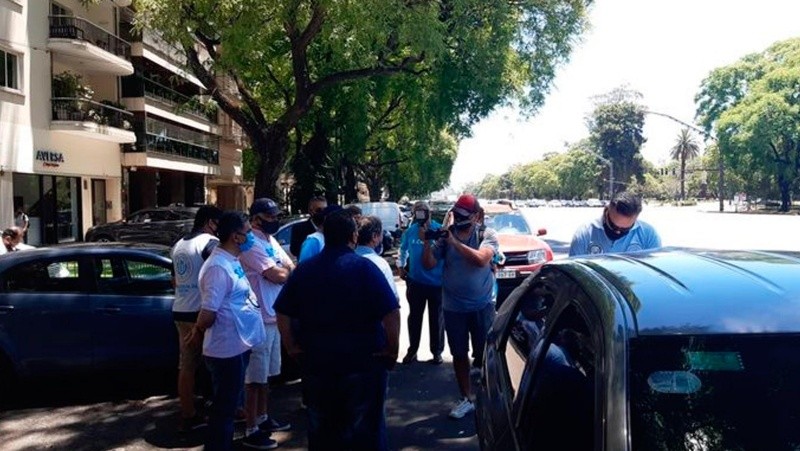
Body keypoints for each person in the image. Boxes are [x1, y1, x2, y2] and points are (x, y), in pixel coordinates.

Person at [275, 210, 400, 450]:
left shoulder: (305, 270)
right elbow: (391, 312)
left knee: (323, 431)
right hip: (362, 364)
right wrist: (391, 350)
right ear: (353, 236)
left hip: (318, 363)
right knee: (367, 431)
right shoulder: (365, 268)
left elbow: (282, 311)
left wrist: (291, 346)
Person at [186, 211, 266, 451]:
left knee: (228, 407)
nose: (252, 236)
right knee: (224, 411)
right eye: (248, 232)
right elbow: (208, 312)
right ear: (235, 236)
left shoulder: (231, 260)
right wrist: (197, 331)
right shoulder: (218, 267)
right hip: (225, 349)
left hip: (238, 344)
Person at [420, 194, 499, 419]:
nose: (459, 219)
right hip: (454, 307)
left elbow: (482, 259)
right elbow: (428, 264)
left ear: (475, 216)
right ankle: (466, 397)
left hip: (482, 305)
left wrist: (454, 243)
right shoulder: (447, 237)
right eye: (457, 214)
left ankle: (488, 394)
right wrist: (427, 242)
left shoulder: (486, 234)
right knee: (459, 353)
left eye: (464, 215)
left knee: (486, 352)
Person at [238, 198, 294, 449]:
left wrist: (284, 271)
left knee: (267, 376)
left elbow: (290, 264)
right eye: (271, 217)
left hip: (273, 316)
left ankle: (262, 417)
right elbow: (277, 274)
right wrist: (283, 272)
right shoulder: (250, 244)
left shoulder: (269, 241)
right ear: (257, 218)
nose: (275, 221)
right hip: (257, 317)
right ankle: (251, 428)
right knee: (254, 378)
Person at [170, 205, 223, 432]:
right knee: (217, 364)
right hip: (202, 312)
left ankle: (188, 413)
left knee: (187, 365)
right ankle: (223, 409)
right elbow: (219, 269)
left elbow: (174, 280)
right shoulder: (209, 243)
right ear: (210, 222)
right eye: (218, 224)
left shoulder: (178, 244)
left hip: (180, 309)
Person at [397, 201, 445, 365]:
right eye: (416, 212)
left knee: (437, 319)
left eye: (423, 212)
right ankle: (412, 350)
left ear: (429, 213)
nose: (420, 215)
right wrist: (401, 267)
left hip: (437, 283)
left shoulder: (439, 230)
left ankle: (437, 352)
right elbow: (402, 250)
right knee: (415, 317)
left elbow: (446, 252)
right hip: (416, 282)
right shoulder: (410, 232)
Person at [568, 191, 662, 256]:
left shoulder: (648, 235)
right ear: (606, 211)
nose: (617, 232)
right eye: (613, 226)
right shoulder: (585, 234)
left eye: (624, 230)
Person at [355, 215, 398, 301]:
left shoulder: (343, 260)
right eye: (381, 233)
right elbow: (393, 299)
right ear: (374, 236)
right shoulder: (381, 264)